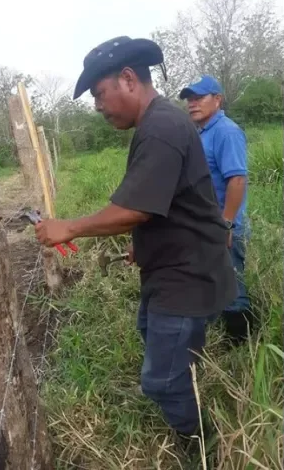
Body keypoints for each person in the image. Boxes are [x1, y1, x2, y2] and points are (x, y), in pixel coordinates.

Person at [33, 36, 237, 449]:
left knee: (160, 378)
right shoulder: (160, 123)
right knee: (154, 335)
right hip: (176, 266)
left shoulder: (160, 128)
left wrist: (68, 228)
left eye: (99, 93)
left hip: (187, 276)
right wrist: (144, 245)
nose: (97, 105)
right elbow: (167, 204)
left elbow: (136, 209)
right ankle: (184, 388)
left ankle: (199, 447)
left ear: (128, 78)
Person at [179, 75, 253, 346]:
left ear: (218, 99)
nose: (192, 103)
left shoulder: (226, 132)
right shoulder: (202, 132)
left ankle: (240, 344)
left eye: (199, 97)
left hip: (225, 224)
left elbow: (237, 179)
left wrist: (227, 223)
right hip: (209, 223)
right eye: (189, 99)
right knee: (214, 279)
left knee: (231, 282)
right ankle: (222, 334)